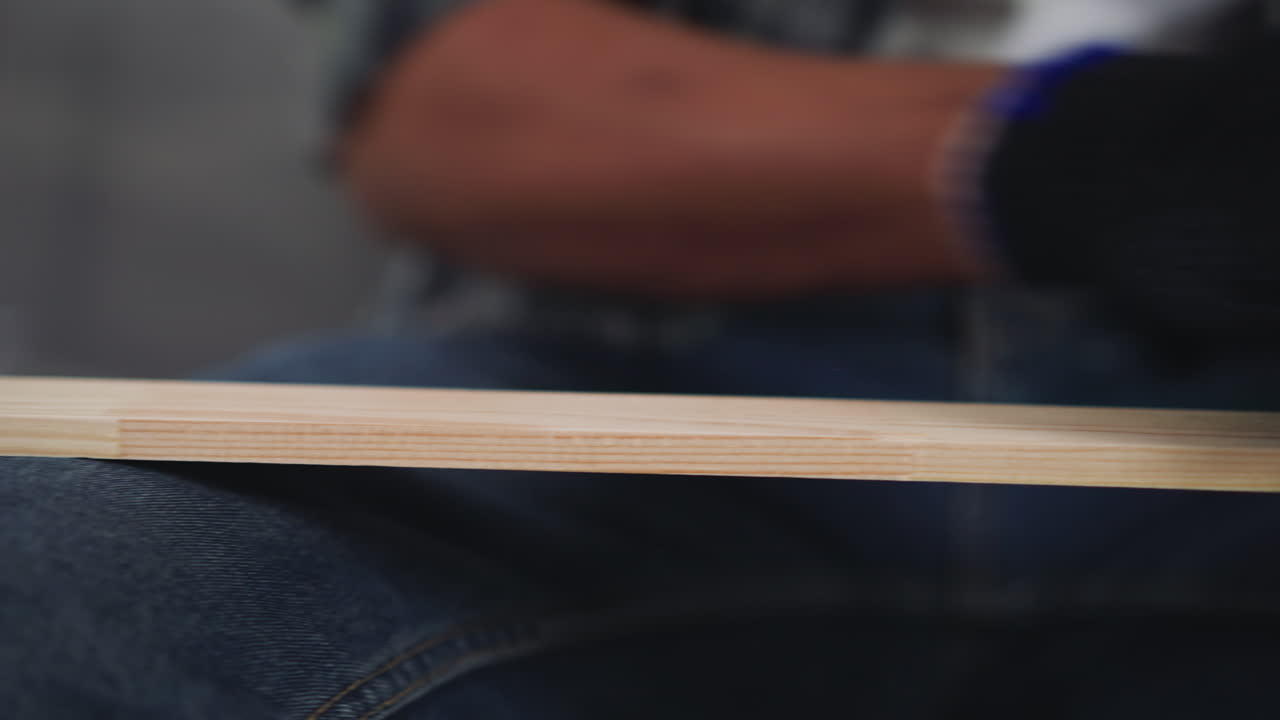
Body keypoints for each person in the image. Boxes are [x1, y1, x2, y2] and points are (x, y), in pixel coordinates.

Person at [4, 1, 1279, 717]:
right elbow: (455, 104)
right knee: (64, 564)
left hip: (1235, 434)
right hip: (620, 396)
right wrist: (1108, 155)